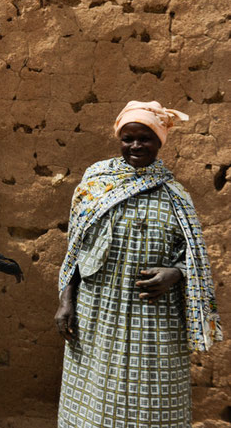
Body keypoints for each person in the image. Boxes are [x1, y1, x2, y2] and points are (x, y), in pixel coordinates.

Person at [55, 100, 222, 428]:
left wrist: (175, 273)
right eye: (128, 138)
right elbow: (75, 250)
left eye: (144, 138)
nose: (135, 146)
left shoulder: (175, 196)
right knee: (95, 402)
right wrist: (66, 300)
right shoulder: (96, 181)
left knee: (151, 406)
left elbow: (195, 259)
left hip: (154, 320)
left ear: (159, 141)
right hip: (96, 314)